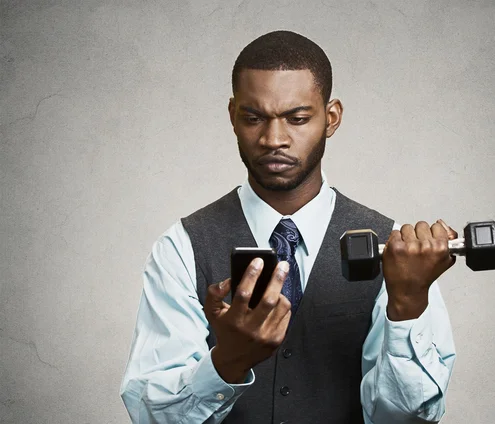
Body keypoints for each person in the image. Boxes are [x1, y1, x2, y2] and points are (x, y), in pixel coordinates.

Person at [120, 30, 457, 424]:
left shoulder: (396, 250)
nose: (273, 139)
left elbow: (405, 421)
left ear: (331, 118)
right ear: (232, 117)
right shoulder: (181, 247)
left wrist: (408, 307)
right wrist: (227, 362)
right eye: (253, 118)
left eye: (297, 118)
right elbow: (151, 417)